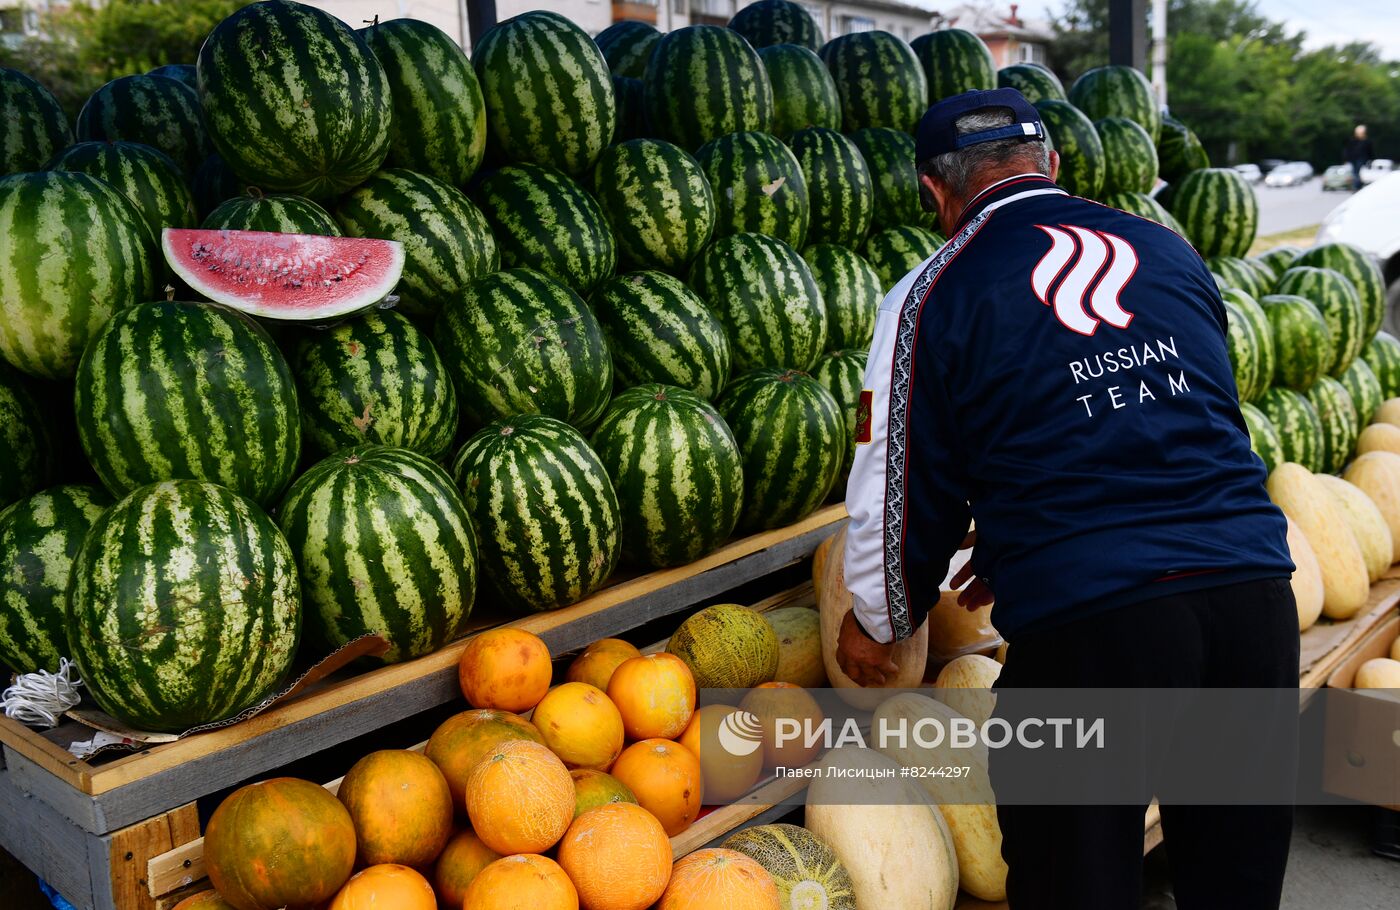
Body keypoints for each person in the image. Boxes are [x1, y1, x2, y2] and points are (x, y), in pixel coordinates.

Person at [834, 88, 1299, 909]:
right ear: (1051, 163)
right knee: (1235, 883)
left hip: (1094, 630)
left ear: (932, 193)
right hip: (1250, 603)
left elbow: (899, 482)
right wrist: (1020, 534)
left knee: (1072, 879)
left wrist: (880, 617)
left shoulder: (929, 294)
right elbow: (1191, 418)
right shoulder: (1166, 249)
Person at [1345, 124, 1374, 191]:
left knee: (1358, 173)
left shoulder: (1367, 142)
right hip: (1353, 160)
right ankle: (1356, 186)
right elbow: (1347, 150)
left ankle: (1357, 186)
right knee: (1355, 174)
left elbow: (1370, 152)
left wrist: (1371, 160)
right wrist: (1346, 159)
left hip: (1362, 160)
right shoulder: (1352, 141)